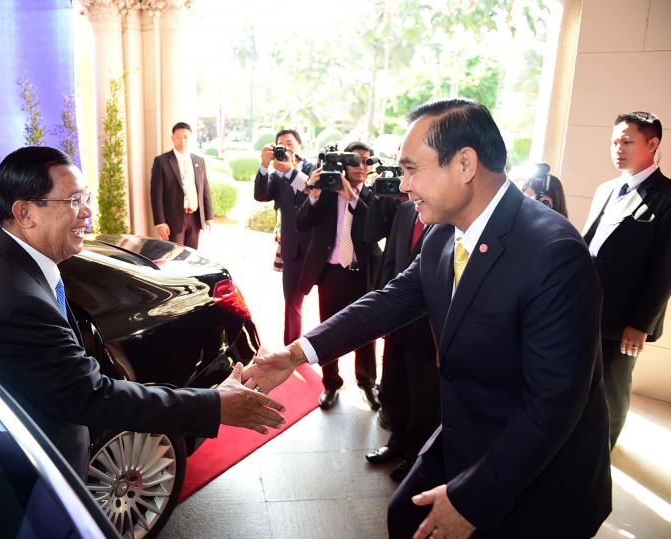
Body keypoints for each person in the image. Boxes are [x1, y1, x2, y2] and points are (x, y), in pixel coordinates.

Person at [245, 97, 611, 538]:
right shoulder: (442, 235)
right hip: (464, 430)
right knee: (403, 517)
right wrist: (295, 355)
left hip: (538, 471)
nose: (403, 186)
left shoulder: (554, 253)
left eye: (411, 169)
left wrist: (473, 501)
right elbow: (388, 302)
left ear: (465, 164)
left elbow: (553, 405)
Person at [0, 146, 285, 482]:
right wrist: (214, 406)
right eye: (73, 200)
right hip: (26, 476)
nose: (87, 211)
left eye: (85, 197)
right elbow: (90, 395)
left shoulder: (7, 260)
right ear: (25, 213)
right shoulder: (18, 299)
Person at [581, 111, 671, 450]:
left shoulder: (667, 196)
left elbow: (665, 270)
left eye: (627, 142)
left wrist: (641, 324)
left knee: (612, 388)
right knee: (579, 381)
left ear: (652, 143)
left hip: (624, 320)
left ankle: (602, 452)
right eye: (614, 142)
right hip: (586, 308)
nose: (617, 149)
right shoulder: (606, 189)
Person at [295, 141, 383, 411]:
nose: (362, 166)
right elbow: (301, 225)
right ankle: (331, 383)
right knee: (329, 330)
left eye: (368, 161)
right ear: (344, 163)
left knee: (365, 330)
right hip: (331, 273)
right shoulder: (326, 192)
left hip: (362, 274)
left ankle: (367, 383)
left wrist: (352, 197)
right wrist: (313, 194)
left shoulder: (375, 194)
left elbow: (375, 230)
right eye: (356, 160)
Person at [365, 193, 440, 484]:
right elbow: (389, 263)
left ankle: (416, 452)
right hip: (396, 319)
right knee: (392, 386)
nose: (404, 183)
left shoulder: (448, 214)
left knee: (423, 394)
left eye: (411, 171)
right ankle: (396, 442)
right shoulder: (406, 210)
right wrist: (381, 313)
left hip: (428, 326)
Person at [254, 129, 313, 345]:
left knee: (329, 305)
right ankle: (291, 348)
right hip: (292, 248)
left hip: (318, 248)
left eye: (290, 143)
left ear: (301, 146)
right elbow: (261, 195)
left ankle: (324, 349)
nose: (286, 148)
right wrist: (264, 165)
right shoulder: (277, 175)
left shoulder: (316, 168)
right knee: (291, 304)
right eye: (280, 144)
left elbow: (313, 189)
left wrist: (289, 170)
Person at [150, 122, 214, 250]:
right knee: (174, 254)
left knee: (192, 255)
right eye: (178, 136)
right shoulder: (162, 161)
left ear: (191, 138)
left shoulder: (199, 161)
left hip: (195, 217)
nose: (182, 140)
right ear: (172, 138)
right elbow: (156, 194)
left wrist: (209, 216)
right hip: (173, 219)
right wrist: (160, 222)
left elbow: (204, 189)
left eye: (186, 137)